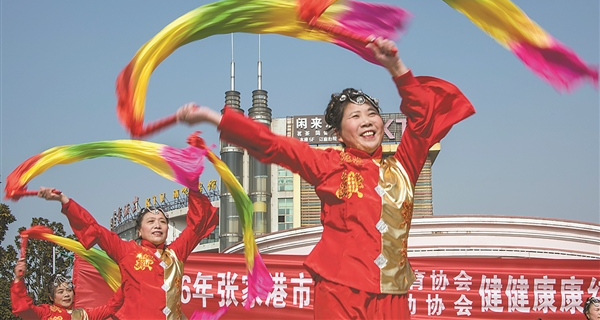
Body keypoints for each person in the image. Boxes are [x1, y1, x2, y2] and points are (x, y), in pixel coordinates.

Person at [176, 37, 475, 319]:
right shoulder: (329, 165)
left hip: (392, 294)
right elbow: (272, 144)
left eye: (372, 114)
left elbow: (423, 117)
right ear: (338, 133)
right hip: (341, 289)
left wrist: (396, 67)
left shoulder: (403, 167)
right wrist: (212, 117)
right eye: (355, 117)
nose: (367, 121)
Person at [37, 186, 218, 319]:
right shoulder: (127, 250)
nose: (157, 225)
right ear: (139, 231)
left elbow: (198, 224)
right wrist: (65, 202)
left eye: (162, 221)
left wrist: (192, 183)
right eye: (151, 221)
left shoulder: (176, 253)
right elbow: (95, 230)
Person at [11, 259, 123, 319]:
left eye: (69, 290)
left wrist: (126, 285)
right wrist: (18, 279)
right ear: (51, 297)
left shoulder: (83, 315)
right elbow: (23, 309)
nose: (66, 294)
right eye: (60, 292)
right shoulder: (45, 313)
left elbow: (111, 307)